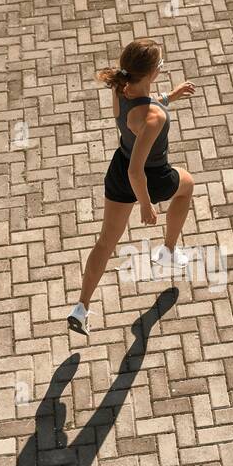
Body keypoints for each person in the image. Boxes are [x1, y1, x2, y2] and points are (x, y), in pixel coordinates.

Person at [66, 38, 196, 336]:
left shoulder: (119, 88)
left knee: (104, 242)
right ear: (151, 73)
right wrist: (147, 205)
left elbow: (141, 104)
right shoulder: (155, 118)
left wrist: (170, 96)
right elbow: (138, 170)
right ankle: (168, 250)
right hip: (151, 176)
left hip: (117, 173)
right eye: (160, 66)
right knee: (186, 185)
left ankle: (81, 308)